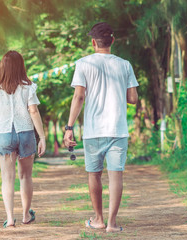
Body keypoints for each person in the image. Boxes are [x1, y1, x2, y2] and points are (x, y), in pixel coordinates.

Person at [63, 22, 138, 233]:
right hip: (118, 130)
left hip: (94, 130)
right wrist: (115, 90)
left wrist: (69, 127)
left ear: (93, 42)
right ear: (112, 41)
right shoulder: (125, 65)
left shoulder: (83, 64)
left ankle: (98, 219)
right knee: (116, 175)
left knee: (94, 174)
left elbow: (79, 96)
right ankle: (112, 224)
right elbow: (132, 98)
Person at [0, 50, 46, 228]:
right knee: (25, 176)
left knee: (7, 178)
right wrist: (42, 137)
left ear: (2, 67)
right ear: (21, 66)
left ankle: (10, 218)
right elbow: (33, 111)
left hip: (4, 134)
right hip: (26, 133)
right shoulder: (28, 87)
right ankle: (26, 215)